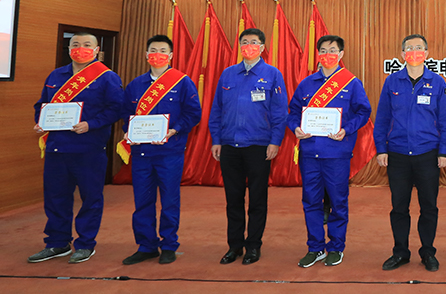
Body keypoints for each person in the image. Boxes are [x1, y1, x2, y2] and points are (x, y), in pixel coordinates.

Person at [29, 32, 124, 264]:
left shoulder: (107, 77)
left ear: (97, 49)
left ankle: (85, 244)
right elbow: (42, 104)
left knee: (90, 198)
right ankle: (57, 243)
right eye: (75, 44)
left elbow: (116, 109)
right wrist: (42, 121)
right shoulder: (56, 75)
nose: (80, 48)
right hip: (57, 148)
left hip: (88, 148)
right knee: (55, 197)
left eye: (86, 45)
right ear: (69, 48)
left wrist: (92, 124)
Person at [288, 35, 372, 268]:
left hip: (337, 153)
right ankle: (315, 247)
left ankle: (336, 247)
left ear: (341, 54)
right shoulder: (306, 84)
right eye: (323, 50)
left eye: (333, 50)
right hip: (310, 153)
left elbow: (363, 112)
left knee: (338, 202)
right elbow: (293, 112)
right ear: (318, 54)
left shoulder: (351, 83)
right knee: (311, 201)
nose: (328, 54)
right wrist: (296, 127)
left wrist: (346, 129)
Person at [374, 34, 446, 272]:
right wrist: (381, 148)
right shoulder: (392, 82)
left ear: (427, 53)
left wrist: (444, 151)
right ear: (402, 54)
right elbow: (382, 118)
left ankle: (428, 252)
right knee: (399, 207)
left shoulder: (437, 82)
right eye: (409, 48)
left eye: (419, 48)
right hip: (397, 154)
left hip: (427, 153)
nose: (414, 51)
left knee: (429, 207)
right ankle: (400, 252)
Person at [209, 28, 287, 265]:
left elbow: (279, 112)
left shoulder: (272, 74)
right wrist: (216, 139)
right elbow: (217, 110)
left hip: (258, 146)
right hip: (230, 146)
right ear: (239, 46)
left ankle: (253, 245)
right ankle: (234, 246)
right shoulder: (228, 74)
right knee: (233, 199)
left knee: (257, 200)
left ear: (262, 47)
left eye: (254, 42)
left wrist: (275, 141)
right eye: (244, 42)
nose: (249, 46)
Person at [121, 35, 201, 265]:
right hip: (142, 153)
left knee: (169, 200)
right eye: (153, 50)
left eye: (163, 50)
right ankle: (146, 245)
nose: (158, 54)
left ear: (171, 55)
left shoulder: (182, 82)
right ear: (146, 55)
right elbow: (126, 113)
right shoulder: (135, 85)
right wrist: (129, 131)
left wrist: (175, 130)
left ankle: (168, 245)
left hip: (169, 152)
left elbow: (193, 113)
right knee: (142, 201)